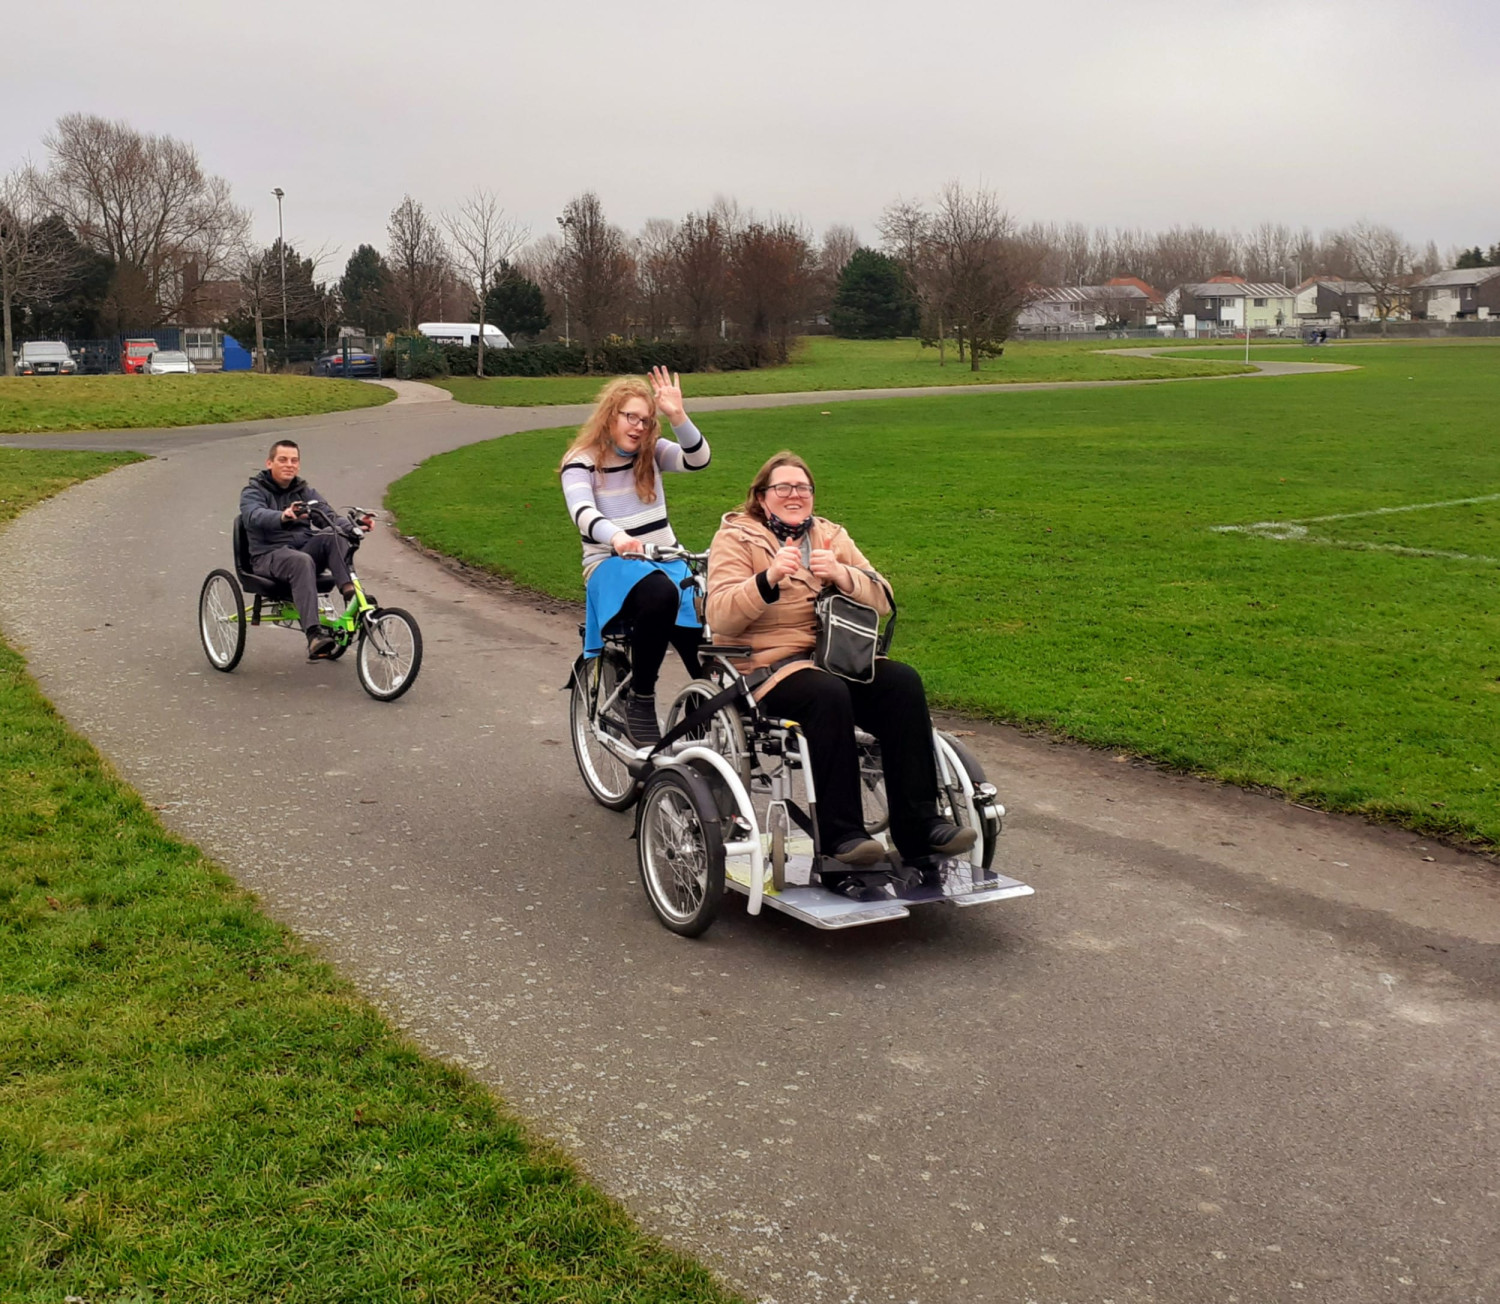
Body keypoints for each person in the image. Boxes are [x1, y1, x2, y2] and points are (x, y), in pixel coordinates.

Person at [705, 451, 976, 888]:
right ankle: (842, 838)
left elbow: (883, 598)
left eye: (803, 487)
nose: (794, 495)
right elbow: (719, 615)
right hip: (771, 663)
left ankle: (921, 826)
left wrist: (844, 575)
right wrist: (767, 579)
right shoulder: (737, 538)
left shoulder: (830, 535)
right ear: (761, 495)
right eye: (783, 487)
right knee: (827, 693)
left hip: (838, 656)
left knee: (902, 683)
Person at [559, 367, 711, 744]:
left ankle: (705, 717)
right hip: (611, 565)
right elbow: (583, 512)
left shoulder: (652, 452)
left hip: (665, 560)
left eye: (646, 420)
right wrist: (618, 538)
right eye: (631, 417)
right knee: (660, 593)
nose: (639, 427)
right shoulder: (581, 460)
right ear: (611, 416)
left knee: (708, 631)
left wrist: (678, 415)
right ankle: (641, 699)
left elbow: (698, 460)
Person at [239, 439, 370, 660]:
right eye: (283, 460)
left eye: (294, 461)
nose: (289, 465)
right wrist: (283, 516)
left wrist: (355, 526)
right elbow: (253, 515)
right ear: (269, 463)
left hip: (302, 550)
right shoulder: (253, 491)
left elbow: (329, 517)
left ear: (298, 465)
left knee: (334, 534)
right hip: (268, 556)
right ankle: (314, 635)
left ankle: (351, 594)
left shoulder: (304, 492)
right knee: (300, 560)